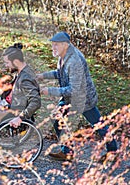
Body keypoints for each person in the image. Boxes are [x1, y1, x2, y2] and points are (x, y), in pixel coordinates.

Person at [37, 31, 118, 161]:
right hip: (70, 98)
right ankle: (67, 152)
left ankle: (113, 152)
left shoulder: (75, 61)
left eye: (56, 45)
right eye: (53, 44)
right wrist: (42, 76)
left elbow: (74, 89)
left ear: (65, 45)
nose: (53, 47)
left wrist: (49, 90)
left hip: (83, 100)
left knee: (98, 125)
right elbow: (60, 73)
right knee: (56, 118)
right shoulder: (63, 56)